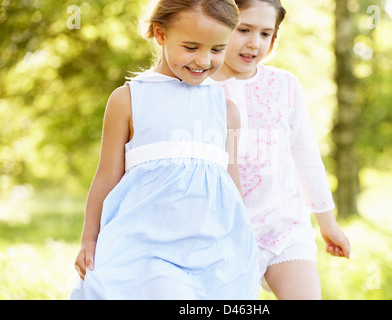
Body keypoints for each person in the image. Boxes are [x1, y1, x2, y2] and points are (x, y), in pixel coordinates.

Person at [68, 0, 259, 300]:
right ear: (160, 34)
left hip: (209, 249)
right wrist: (89, 239)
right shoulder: (128, 99)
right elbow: (106, 178)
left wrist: (243, 241)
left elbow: (230, 183)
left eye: (217, 49)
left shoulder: (226, 110)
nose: (203, 60)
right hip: (146, 246)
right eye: (191, 47)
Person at [210, 0, 351, 300]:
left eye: (265, 34)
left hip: (283, 224)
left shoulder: (285, 85)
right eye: (244, 29)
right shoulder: (198, 85)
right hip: (219, 232)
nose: (254, 43)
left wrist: (328, 224)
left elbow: (306, 157)